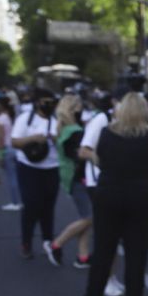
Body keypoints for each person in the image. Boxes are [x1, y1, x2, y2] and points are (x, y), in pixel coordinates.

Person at [81, 92, 148, 296]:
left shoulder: (106, 133)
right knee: (136, 249)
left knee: (103, 248)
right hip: (140, 195)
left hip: (108, 194)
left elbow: (99, 159)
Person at [11, 88, 62, 260]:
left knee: (48, 207)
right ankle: (26, 242)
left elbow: (64, 143)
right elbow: (15, 142)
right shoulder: (25, 119)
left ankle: (48, 242)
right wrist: (33, 139)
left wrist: (56, 139)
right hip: (29, 168)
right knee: (31, 206)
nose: (48, 105)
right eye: (44, 101)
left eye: (51, 101)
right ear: (37, 102)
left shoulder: (58, 120)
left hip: (52, 168)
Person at [47, 95, 92, 268]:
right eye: (80, 107)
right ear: (74, 110)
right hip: (78, 177)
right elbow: (80, 156)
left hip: (70, 176)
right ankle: (57, 244)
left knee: (86, 216)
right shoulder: (75, 132)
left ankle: (83, 256)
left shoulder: (65, 129)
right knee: (90, 217)